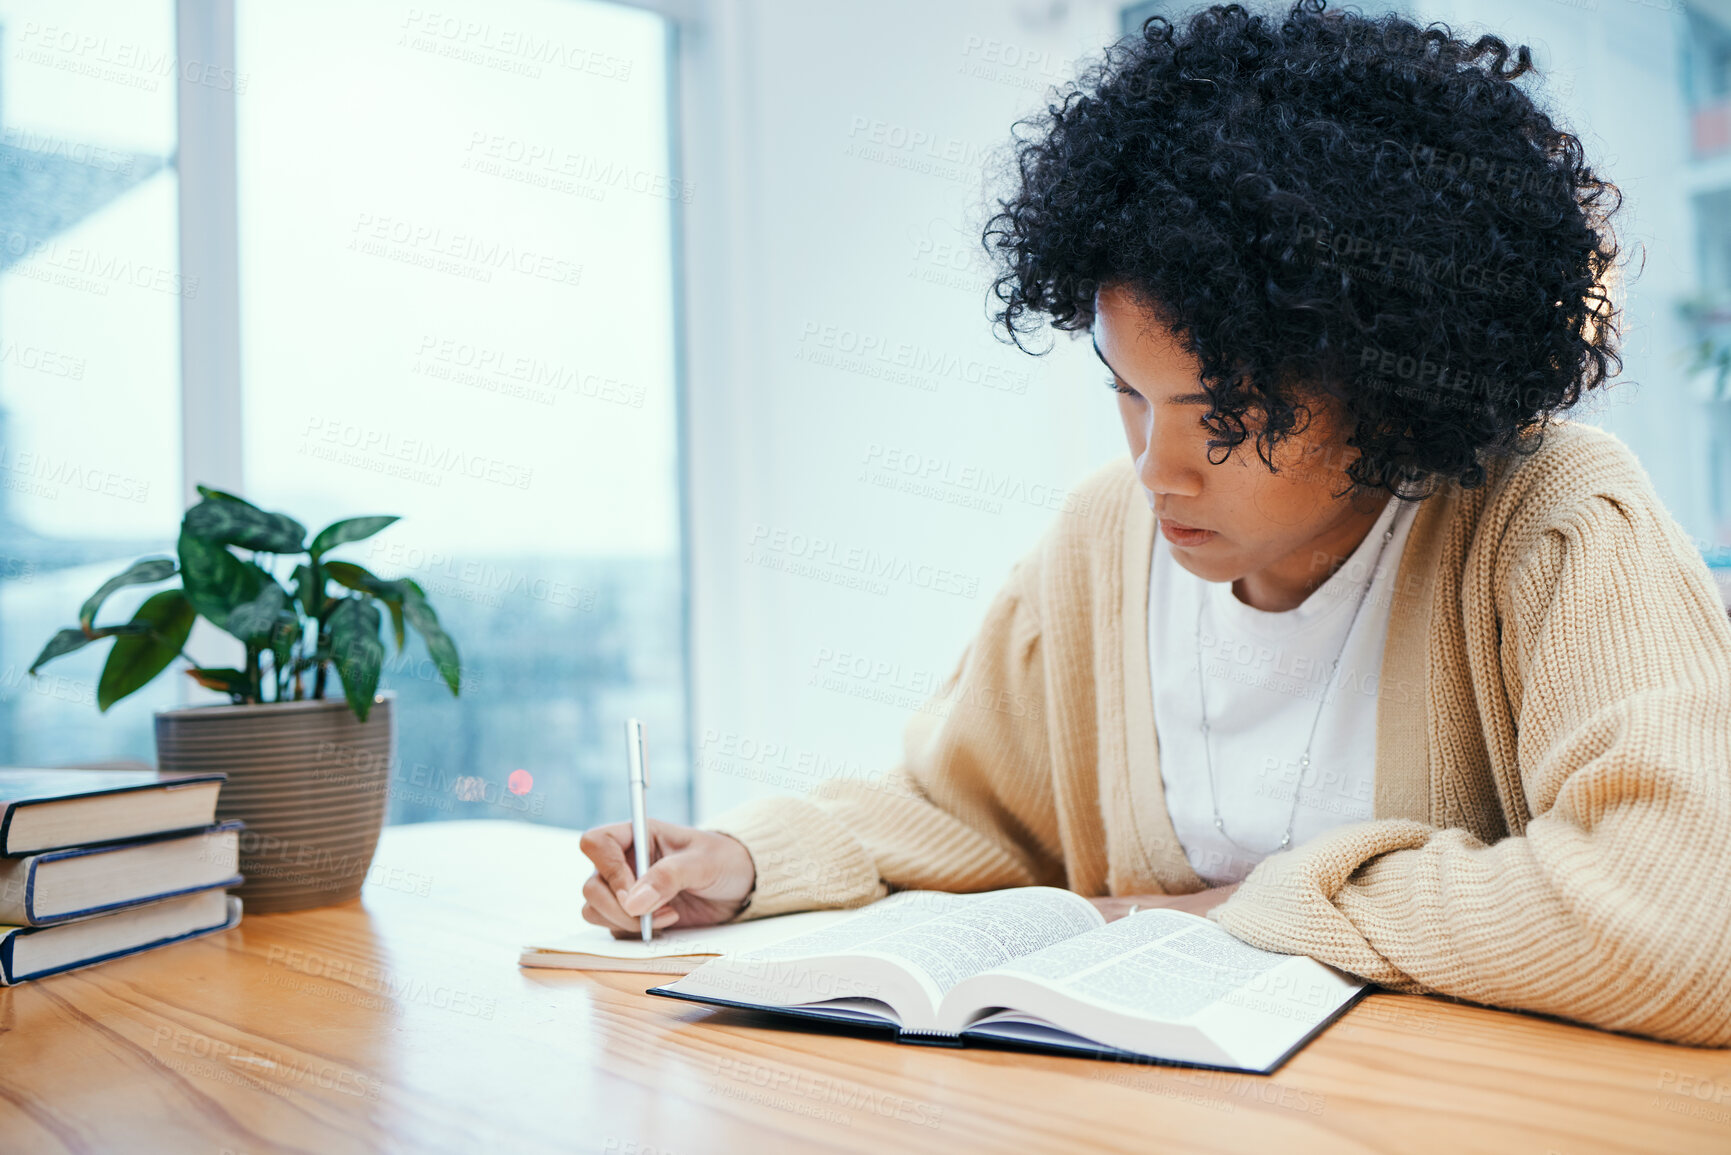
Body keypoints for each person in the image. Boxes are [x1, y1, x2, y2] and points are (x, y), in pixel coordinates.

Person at [580, 0, 1731, 1046]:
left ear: (1393, 385)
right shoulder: (1100, 545)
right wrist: (742, 861)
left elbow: (1684, 918)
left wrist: (1266, 906)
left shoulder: (1552, 523)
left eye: (1228, 417)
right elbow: (969, 809)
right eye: (1127, 392)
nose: (1156, 469)